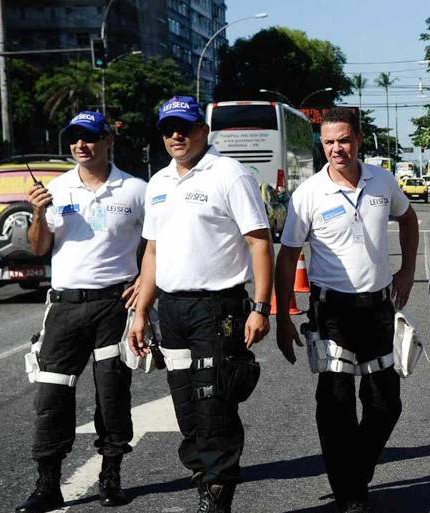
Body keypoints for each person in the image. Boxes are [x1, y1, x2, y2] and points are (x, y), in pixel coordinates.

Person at [127, 96, 273, 513]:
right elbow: (151, 253)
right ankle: (203, 479)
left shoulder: (230, 174)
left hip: (218, 310)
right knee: (187, 408)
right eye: (169, 128)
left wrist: (261, 308)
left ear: (203, 132)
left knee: (214, 406)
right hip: (170, 311)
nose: (177, 135)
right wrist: (140, 312)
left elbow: (259, 242)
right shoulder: (157, 183)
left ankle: (217, 495)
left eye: (186, 127)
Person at [274, 107, 419, 513]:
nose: (337, 149)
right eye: (329, 142)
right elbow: (287, 257)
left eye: (344, 140)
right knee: (336, 404)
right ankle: (349, 493)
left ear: (358, 140)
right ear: (322, 145)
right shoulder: (309, 194)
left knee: (386, 404)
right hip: (331, 311)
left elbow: (408, 221)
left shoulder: (382, 181)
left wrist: (407, 270)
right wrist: (284, 316)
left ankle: (356, 470)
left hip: (378, 310)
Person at [18, 111, 145, 512]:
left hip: (114, 305)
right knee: (51, 396)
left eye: (89, 137)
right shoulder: (56, 188)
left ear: (108, 140)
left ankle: (111, 478)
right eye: (74, 138)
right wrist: (38, 212)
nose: (80, 145)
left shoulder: (135, 189)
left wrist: (143, 283)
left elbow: (154, 244)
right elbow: (39, 248)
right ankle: (47, 483)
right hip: (65, 306)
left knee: (112, 394)